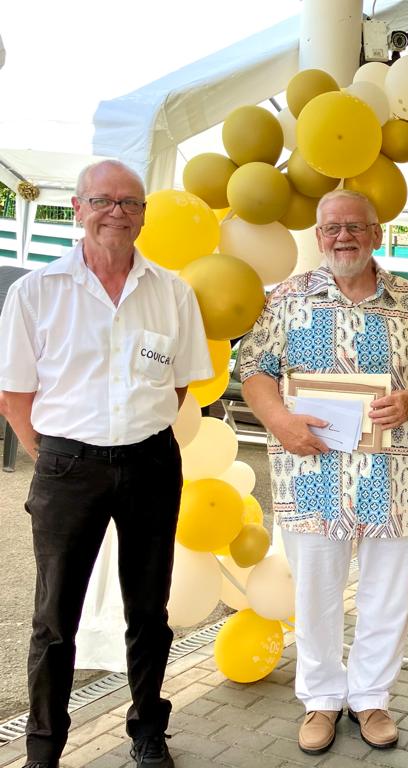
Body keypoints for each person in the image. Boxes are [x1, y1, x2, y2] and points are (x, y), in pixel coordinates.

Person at [0, 160, 212, 768]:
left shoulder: (172, 292)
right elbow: (15, 397)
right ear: (77, 208)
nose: (117, 212)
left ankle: (148, 730)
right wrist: (57, 459)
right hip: (68, 465)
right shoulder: (35, 292)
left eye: (131, 203)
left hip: (150, 463)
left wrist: (128, 438)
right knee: (54, 617)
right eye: (104, 200)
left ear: (145, 214)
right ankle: (43, 747)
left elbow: (175, 388)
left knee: (149, 609)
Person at [237, 189, 408, 754]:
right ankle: (322, 701)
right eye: (332, 228)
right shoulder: (288, 297)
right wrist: (279, 420)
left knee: (387, 594)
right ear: (317, 234)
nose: (343, 237)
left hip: (395, 474)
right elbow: (254, 366)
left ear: (377, 234)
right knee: (317, 593)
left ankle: (372, 697)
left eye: (355, 226)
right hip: (312, 473)